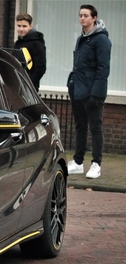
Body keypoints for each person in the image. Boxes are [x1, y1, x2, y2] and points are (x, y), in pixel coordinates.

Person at [66, 4, 111, 179]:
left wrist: (96, 94)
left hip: (92, 93)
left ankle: (96, 164)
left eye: (86, 15)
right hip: (78, 90)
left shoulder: (102, 40)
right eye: (80, 15)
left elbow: (103, 69)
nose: (82, 18)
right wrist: (72, 84)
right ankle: (78, 162)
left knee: (95, 128)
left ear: (94, 18)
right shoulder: (81, 39)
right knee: (80, 127)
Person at [14, 13, 46, 91]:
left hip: (29, 88)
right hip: (16, 85)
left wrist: (29, 84)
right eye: (19, 26)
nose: (21, 29)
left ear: (30, 27)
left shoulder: (37, 43)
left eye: (24, 26)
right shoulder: (17, 43)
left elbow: (40, 67)